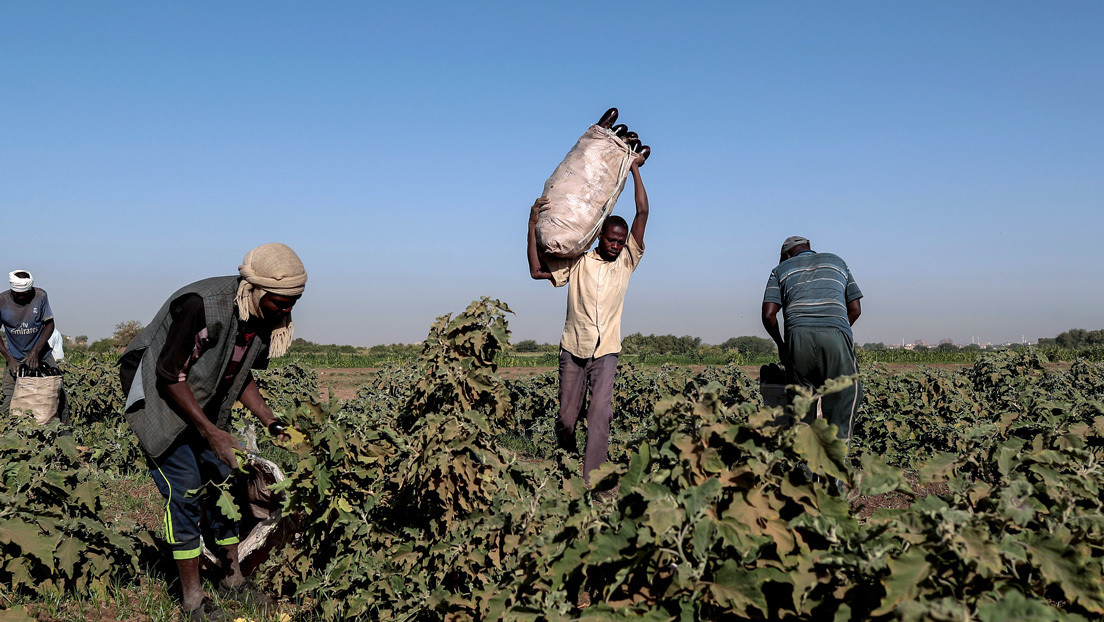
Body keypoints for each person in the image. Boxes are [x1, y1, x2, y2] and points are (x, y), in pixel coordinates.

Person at [119, 243, 306, 621]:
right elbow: (169, 374)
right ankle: (192, 601)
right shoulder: (203, 304)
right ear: (254, 290)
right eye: (280, 302)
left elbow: (240, 373)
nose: (286, 310)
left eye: (293, 302)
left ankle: (232, 580)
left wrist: (272, 421)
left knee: (225, 481)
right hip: (158, 393)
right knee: (185, 489)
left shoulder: (260, 317)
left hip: (197, 397)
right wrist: (211, 432)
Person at [527, 158, 649, 484]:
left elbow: (642, 213)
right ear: (599, 237)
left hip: (607, 349)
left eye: (621, 241)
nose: (616, 245)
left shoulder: (627, 261)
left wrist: (634, 167)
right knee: (567, 419)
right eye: (612, 239)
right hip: (573, 348)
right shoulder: (579, 262)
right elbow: (537, 271)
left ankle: (593, 481)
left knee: (600, 415)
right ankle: (566, 467)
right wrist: (531, 225)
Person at [761, 236, 863, 443]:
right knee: (845, 398)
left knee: (802, 406)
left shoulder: (780, 269)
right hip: (835, 335)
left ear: (787, 255)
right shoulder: (837, 262)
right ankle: (835, 466)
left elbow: (768, 314)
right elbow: (855, 309)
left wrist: (782, 345)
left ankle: (805, 469)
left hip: (798, 338)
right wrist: (836, 330)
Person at [0, 270, 67, 423]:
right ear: (12, 290)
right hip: (14, 356)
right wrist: (9, 358)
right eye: (18, 294)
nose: (22, 297)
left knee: (59, 394)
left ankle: (64, 436)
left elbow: (49, 324)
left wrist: (36, 351)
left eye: (25, 293)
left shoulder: (40, 296)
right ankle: (6, 438)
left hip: (42, 354)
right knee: (9, 398)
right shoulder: (1, 301)